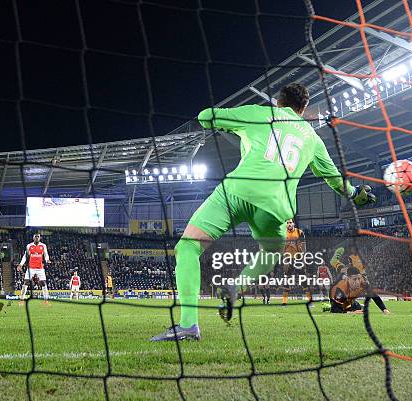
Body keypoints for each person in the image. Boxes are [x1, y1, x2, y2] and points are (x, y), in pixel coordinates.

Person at [151, 83, 376, 342]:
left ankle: (188, 324)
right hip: (276, 206)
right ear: (302, 109)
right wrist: (355, 193)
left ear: (278, 102)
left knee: (188, 247)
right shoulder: (312, 138)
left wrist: (229, 123)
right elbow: (336, 181)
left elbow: (205, 117)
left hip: (237, 191)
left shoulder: (260, 113)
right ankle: (237, 288)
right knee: (270, 255)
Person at [17, 233, 51, 303]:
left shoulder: (43, 246)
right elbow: (25, 256)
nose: (37, 238)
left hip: (40, 268)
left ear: (40, 238)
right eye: (35, 237)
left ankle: (46, 300)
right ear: (33, 238)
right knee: (26, 282)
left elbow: (46, 254)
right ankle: (22, 299)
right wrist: (21, 264)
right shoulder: (29, 246)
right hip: (31, 268)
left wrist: (47, 259)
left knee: (44, 283)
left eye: (38, 236)